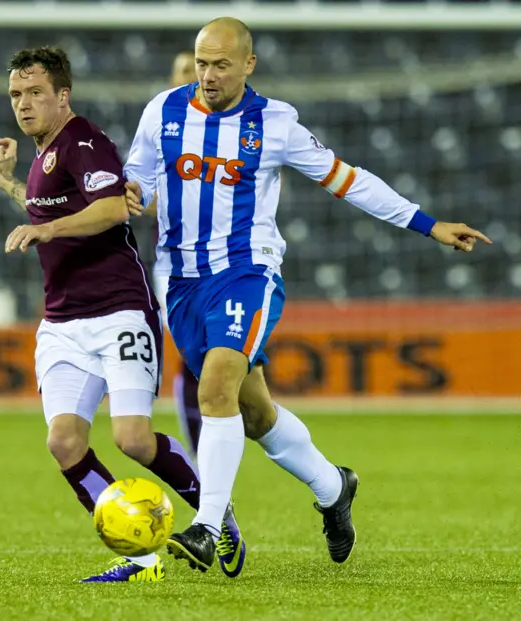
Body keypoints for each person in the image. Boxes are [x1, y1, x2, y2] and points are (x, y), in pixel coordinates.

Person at [124, 18, 492, 573]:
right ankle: (333, 487)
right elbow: (138, 181)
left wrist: (427, 224)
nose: (208, 75)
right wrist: (115, 196)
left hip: (248, 273)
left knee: (217, 388)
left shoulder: (275, 124)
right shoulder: (162, 111)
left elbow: (349, 179)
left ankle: (206, 526)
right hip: (180, 282)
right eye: (202, 63)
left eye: (221, 64)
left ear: (249, 64)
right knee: (253, 413)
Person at [0, 46, 240, 583]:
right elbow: (49, 211)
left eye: (36, 93)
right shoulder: (42, 155)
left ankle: (215, 514)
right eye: (16, 95)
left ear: (63, 95)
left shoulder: (85, 141)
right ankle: (141, 556)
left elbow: (109, 209)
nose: (24, 104)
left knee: (133, 440)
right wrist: (9, 183)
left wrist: (46, 230)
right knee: (63, 442)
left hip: (119, 312)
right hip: (62, 323)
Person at [147, 50, 203, 456]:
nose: (192, 77)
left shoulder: (238, 127)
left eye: (196, 69)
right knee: (190, 348)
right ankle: (201, 452)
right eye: (183, 71)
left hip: (231, 262)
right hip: (174, 262)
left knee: (225, 360)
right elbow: (132, 194)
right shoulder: (157, 130)